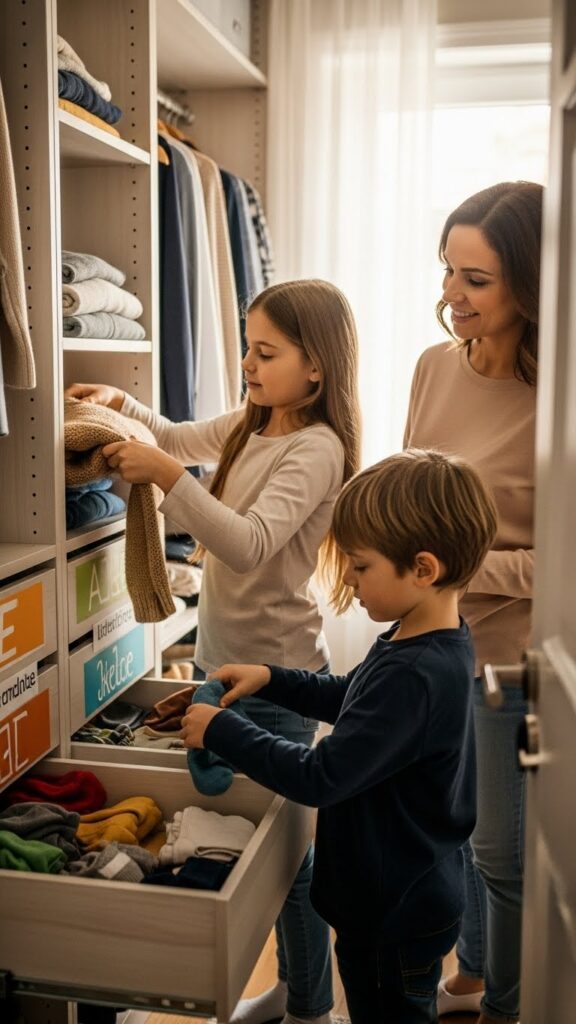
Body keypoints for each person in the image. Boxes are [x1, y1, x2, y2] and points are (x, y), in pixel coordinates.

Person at [64, 278, 362, 1024]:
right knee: (253, 841)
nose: (248, 364)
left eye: (265, 352)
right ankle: (298, 998)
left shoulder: (317, 447)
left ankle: (310, 1007)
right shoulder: (256, 421)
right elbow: (181, 435)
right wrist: (128, 412)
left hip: (282, 678)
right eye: (246, 348)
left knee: (288, 861)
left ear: (316, 367)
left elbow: (249, 544)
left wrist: (169, 482)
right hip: (222, 664)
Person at [180, 448, 498, 1024]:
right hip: (407, 891)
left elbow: (320, 776)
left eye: (360, 566)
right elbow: (352, 694)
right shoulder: (429, 636)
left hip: (391, 911)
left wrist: (221, 730)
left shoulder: (415, 674)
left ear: (423, 568)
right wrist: (272, 678)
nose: (349, 583)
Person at [403, 181, 543, 1024]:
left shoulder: (553, 397)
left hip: (514, 662)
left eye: (477, 279)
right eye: (448, 271)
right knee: (451, 833)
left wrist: (456, 569)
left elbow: (558, 563)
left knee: (502, 854)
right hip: (436, 645)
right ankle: (473, 970)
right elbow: (413, 490)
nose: (452, 294)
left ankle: (513, 1008)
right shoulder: (432, 367)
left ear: (528, 282)